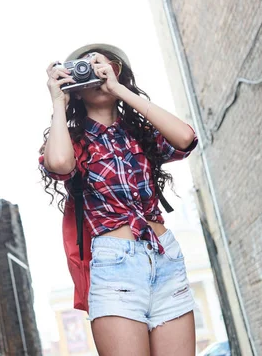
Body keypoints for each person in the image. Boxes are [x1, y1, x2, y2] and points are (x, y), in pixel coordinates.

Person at [39, 44, 198, 356]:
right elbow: (58, 164)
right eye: (83, 68)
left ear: (117, 71)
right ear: (76, 86)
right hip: (115, 268)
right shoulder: (73, 140)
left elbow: (185, 138)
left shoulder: (141, 133)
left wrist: (120, 90)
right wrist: (58, 102)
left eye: (102, 65)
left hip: (166, 260)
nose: (94, 72)